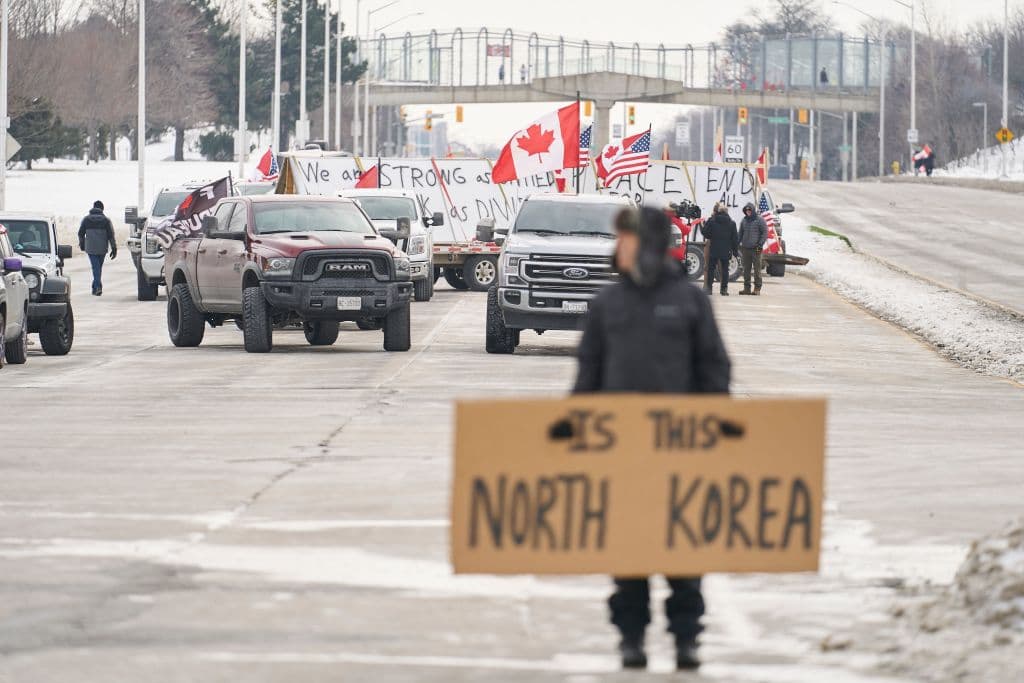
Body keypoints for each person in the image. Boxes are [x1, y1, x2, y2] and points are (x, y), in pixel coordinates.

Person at [574, 206, 732, 672]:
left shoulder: (690, 301)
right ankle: (631, 638)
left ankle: (686, 639)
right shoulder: (607, 304)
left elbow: (714, 369)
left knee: (683, 553)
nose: (616, 246)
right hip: (622, 454)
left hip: (680, 452)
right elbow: (588, 376)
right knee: (629, 552)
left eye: (624, 238)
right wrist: (573, 430)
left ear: (645, 244)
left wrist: (714, 426)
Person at [78, 200, 117, 295]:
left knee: (96, 268)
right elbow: (111, 235)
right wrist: (114, 248)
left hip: (90, 248)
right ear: (102, 209)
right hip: (102, 248)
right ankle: (97, 287)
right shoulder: (106, 220)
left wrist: (82, 245)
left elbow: (80, 233)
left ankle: (95, 287)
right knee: (97, 268)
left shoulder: (86, 219)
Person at [701, 202, 739, 296]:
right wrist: (735, 251)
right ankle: (724, 289)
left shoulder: (712, 221)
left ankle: (709, 289)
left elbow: (706, 234)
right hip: (726, 250)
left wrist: (703, 225)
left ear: (717, 212)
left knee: (711, 269)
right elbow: (735, 239)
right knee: (725, 270)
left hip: (714, 248)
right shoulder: (732, 223)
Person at [738, 202, 767, 295]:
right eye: (746, 210)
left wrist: (760, 244)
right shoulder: (743, 220)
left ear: (753, 210)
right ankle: (747, 288)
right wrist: (736, 244)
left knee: (757, 269)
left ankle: (757, 289)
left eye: (749, 210)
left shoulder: (760, 220)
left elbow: (764, 233)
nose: (748, 212)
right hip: (745, 249)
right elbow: (740, 234)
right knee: (746, 269)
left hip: (757, 248)